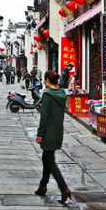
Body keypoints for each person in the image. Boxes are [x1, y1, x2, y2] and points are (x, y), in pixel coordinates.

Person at [35, 70, 71, 204]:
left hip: (49, 132)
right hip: (57, 132)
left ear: (47, 81)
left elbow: (44, 117)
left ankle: (64, 188)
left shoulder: (48, 95)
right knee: (47, 158)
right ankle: (42, 187)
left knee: (49, 161)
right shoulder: (61, 94)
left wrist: (40, 133)